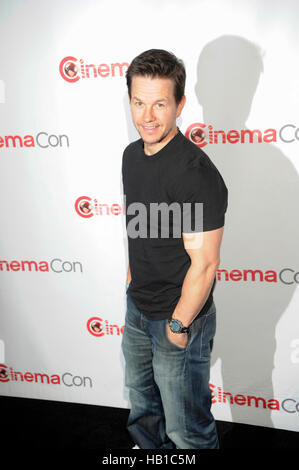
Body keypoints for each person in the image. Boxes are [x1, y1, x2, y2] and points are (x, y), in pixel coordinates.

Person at [121, 49, 228, 449]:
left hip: (178, 319)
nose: (147, 116)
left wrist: (179, 326)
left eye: (160, 104)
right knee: (143, 411)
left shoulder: (195, 173)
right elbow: (138, 224)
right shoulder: (131, 156)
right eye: (138, 102)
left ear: (180, 104)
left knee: (187, 429)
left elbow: (205, 264)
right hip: (137, 309)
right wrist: (131, 281)